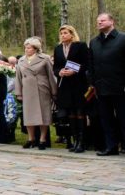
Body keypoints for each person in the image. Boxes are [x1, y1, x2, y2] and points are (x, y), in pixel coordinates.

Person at [88, 13, 125, 156]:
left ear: (112, 21)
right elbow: (91, 65)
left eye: (102, 20)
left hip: (120, 86)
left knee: (123, 117)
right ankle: (111, 146)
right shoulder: (94, 42)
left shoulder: (122, 39)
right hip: (101, 87)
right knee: (106, 118)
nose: (99, 23)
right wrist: (92, 83)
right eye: (97, 21)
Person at [52, 25, 89, 153]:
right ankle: (74, 140)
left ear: (72, 34)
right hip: (65, 86)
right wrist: (59, 72)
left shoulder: (80, 46)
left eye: (65, 33)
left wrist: (74, 71)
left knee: (80, 113)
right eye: (61, 33)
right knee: (71, 114)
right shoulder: (58, 49)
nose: (63, 35)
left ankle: (82, 141)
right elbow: (55, 67)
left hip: (78, 84)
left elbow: (86, 64)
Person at [15, 37, 57, 150]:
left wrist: (54, 91)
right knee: (28, 115)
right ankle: (31, 138)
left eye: (29, 48)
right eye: (25, 47)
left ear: (35, 48)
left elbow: (51, 76)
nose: (26, 49)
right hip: (27, 90)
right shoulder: (21, 60)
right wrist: (18, 92)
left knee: (44, 115)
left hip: (42, 89)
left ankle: (42, 139)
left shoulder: (45, 58)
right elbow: (18, 77)